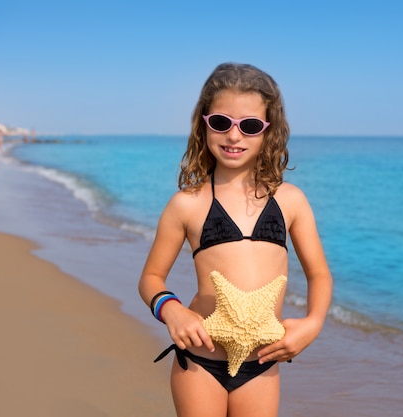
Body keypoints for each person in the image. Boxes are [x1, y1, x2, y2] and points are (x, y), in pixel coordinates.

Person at [138, 62, 333, 417]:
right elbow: (150, 278)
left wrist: (313, 323)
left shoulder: (290, 200)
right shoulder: (187, 204)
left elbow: (319, 274)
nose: (234, 135)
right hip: (200, 360)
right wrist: (173, 311)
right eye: (221, 122)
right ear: (204, 124)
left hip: (261, 361)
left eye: (250, 126)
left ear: (268, 131)